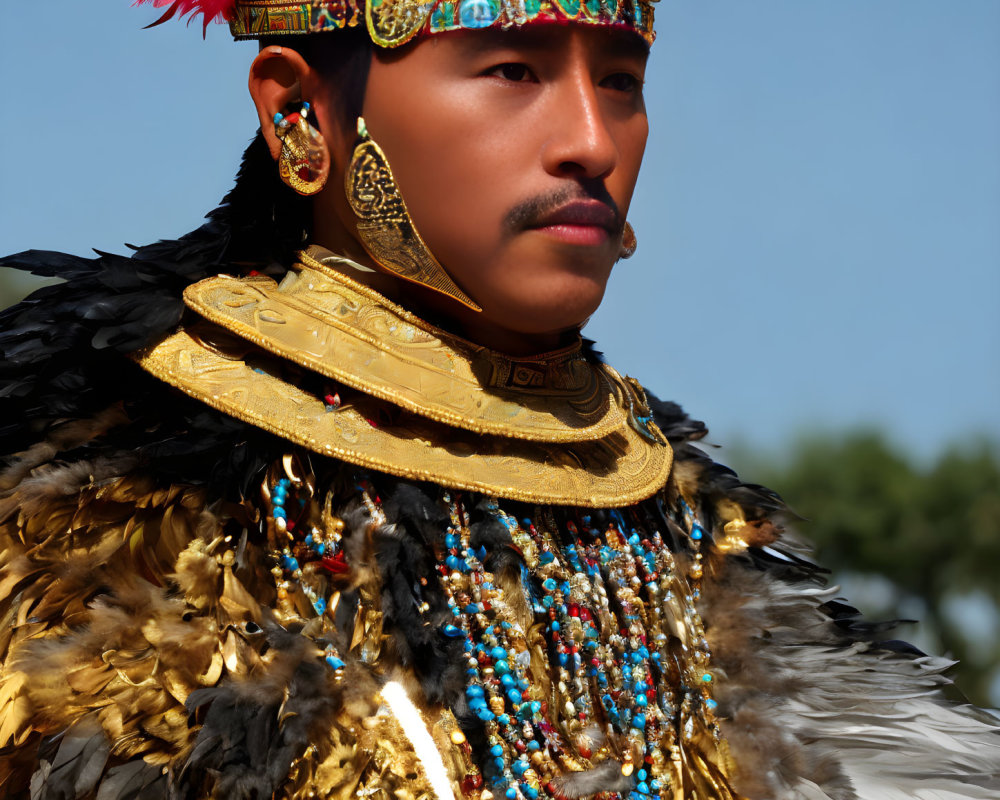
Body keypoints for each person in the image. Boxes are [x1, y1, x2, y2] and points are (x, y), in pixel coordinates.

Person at [0, 1, 996, 798]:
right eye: (512, 71)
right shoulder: (85, 488)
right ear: (298, 113)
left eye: (621, 82)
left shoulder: (690, 523)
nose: (592, 143)